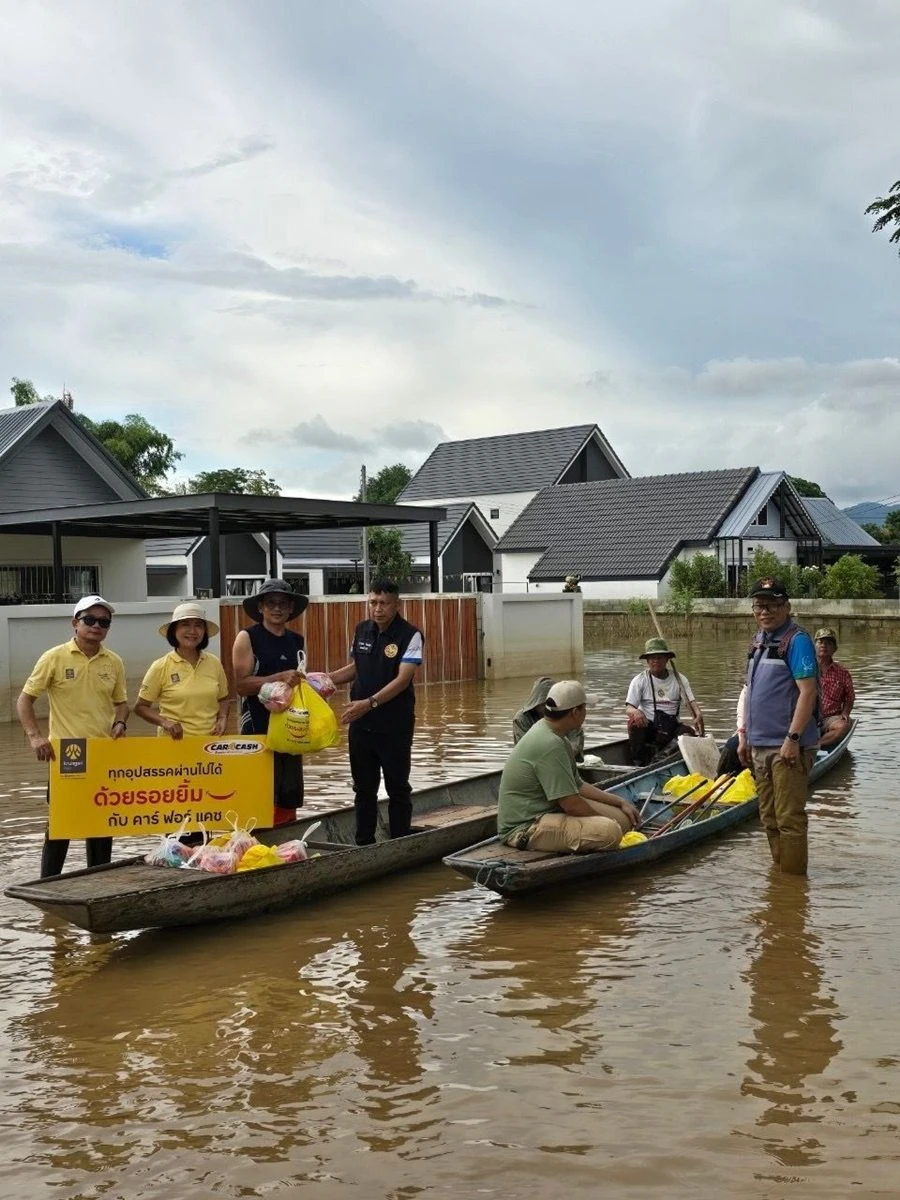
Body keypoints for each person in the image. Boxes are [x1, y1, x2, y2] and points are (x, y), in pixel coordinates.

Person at [16, 595, 129, 877]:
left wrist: (120, 722)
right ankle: (48, 884)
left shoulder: (114, 662)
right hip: (67, 755)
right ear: (74, 623)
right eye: (89, 620)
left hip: (103, 754)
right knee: (60, 826)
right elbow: (25, 700)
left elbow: (122, 703)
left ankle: (99, 883)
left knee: (101, 823)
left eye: (103, 622)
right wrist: (35, 737)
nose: (96, 626)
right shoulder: (54, 657)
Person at [329, 579, 423, 845]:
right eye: (373, 602)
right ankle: (364, 844)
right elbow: (355, 668)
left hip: (394, 726)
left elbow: (403, 680)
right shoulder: (362, 630)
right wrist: (324, 680)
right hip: (360, 724)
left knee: (397, 787)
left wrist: (368, 703)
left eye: (384, 603)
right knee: (363, 788)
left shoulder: (410, 635)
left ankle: (400, 843)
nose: (377, 609)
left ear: (396, 605)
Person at [498, 681, 640, 853]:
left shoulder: (557, 736)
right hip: (526, 827)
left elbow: (578, 784)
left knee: (625, 820)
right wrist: (606, 822)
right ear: (575, 713)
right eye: (585, 708)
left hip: (548, 810)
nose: (586, 712)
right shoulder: (550, 744)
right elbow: (571, 804)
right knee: (611, 831)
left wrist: (620, 802)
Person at [738, 577, 818, 875]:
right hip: (759, 743)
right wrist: (743, 736)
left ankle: (795, 889)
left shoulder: (797, 641)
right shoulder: (758, 641)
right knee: (769, 818)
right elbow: (750, 692)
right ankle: (781, 883)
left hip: (787, 747)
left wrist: (793, 738)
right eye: (759, 605)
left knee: (789, 819)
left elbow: (808, 692)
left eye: (772, 605)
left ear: (786, 606)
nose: (765, 611)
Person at [232, 579, 308, 825]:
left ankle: (286, 838)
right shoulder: (247, 637)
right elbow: (241, 685)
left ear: (291, 608)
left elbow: (299, 683)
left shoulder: (297, 641)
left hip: (290, 728)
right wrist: (279, 677)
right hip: (258, 727)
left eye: (283, 604)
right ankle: (255, 839)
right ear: (261, 607)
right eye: (271, 603)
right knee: (258, 792)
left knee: (288, 793)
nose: (277, 608)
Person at [134, 601, 230, 738]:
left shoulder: (214, 663)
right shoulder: (160, 666)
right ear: (174, 630)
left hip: (209, 743)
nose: (192, 631)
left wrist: (222, 717)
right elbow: (140, 707)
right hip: (173, 744)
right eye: (185, 624)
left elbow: (223, 698)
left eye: (198, 625)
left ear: (204, 632)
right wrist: (165, 722)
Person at [625, 637, 704, 766]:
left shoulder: (680, 679)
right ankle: (638, 762)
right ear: (647, 661)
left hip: (672, 727)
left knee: (688, 734)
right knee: (633, 723)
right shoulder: (639, 680)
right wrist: (635, 712)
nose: (656, 661)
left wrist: (698, 714)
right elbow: (629, 708)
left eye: (660, 657)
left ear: (667, 659)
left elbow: (691, 702)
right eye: (652, 658)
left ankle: (659, 760)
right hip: (649, 728)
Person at [512, 676, 586, 761]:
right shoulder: (522, 718)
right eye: (545, 704)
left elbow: (575, 743)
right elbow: (526, 752)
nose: (549, 707)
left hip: (566, 760)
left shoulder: (568, 713)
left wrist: (559, 755)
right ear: (536, 703)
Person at [814, 627, 855, 748]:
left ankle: (816, 745)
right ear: (814, 646)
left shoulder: (842, 672)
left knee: (843, 726)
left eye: (828, 643)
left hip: (830, 718)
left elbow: (849, 697)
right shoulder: (804, 668)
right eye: (820, 642)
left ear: (834, 648)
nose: (824, 645)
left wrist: (845, 712)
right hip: (806, 716)